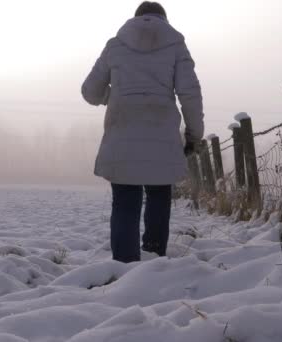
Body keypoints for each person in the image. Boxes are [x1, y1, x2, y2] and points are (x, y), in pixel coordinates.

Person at [81, 2, 204, 263]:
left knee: (125, 201)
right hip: (162, 137)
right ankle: (154, 260)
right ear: (164, 19)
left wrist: (113, 96)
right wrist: (194, 135)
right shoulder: (175, 45)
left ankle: (124, 266)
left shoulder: (115, 45)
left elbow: (90, 91)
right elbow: (190, 94)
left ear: (135, 18)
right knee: (159, 196)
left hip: (122, 135)